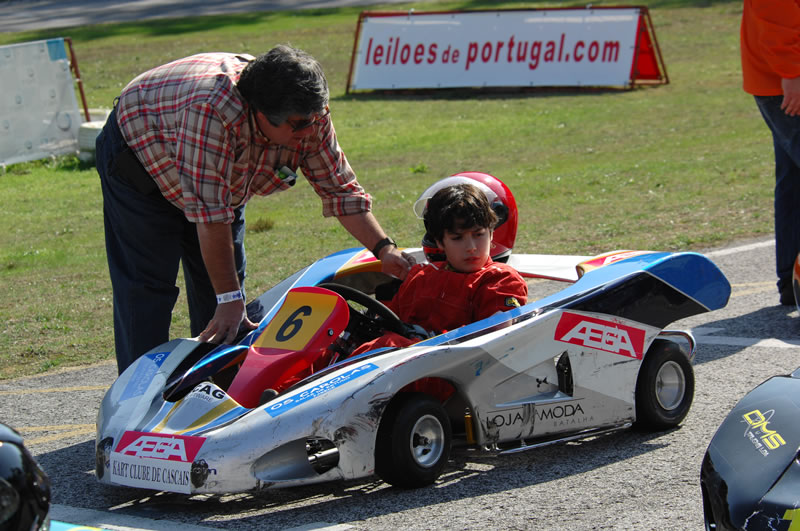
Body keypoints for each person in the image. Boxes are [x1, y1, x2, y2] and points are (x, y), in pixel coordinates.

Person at [95, 45, 410, 374]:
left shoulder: (308, 114)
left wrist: (383, 248)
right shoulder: (211, 110)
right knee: (148, 291)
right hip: (142, 162)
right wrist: (229, 299)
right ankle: (136, 402)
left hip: (217, 189)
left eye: (317, 118)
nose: (311, 131)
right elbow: (211, 217)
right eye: (300, 125)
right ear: (260, 114)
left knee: (220, 296)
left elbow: (340, 191)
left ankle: (213, 396)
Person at [353, 181, 528, 355]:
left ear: (491, 234)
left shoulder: (500, 280)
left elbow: (498, 332)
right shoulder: (420, 277)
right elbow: (389, 322)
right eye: (457, 238)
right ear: (439, 242)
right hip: (399, 365)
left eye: (478, 235)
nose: (471, 247)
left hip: (453, 369)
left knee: (386, 345)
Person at [740, 1, 800, 305]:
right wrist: (792, 72)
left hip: (783, 79)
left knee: (793, 185)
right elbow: (776, 15)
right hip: (786, 82)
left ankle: (792, 281)